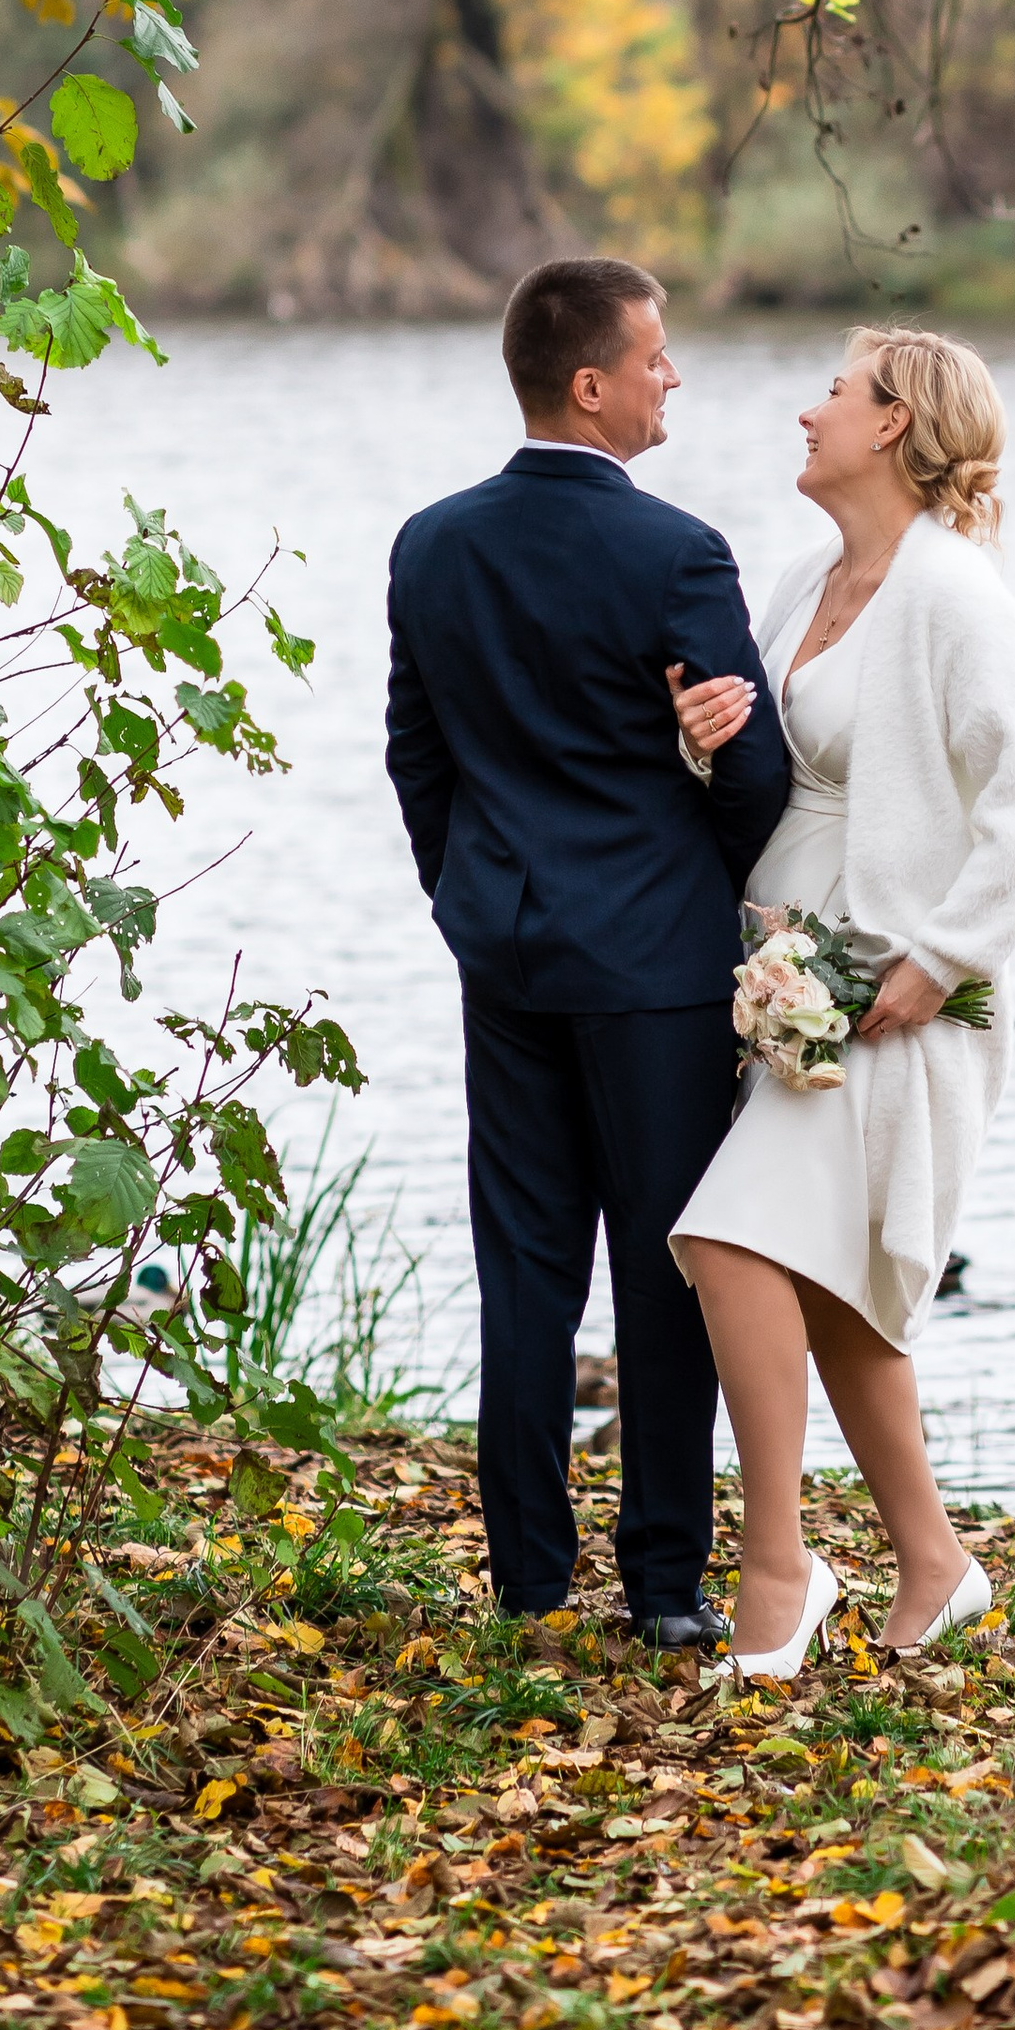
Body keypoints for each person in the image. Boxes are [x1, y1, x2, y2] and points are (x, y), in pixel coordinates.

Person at [386, 256, 791, 1647]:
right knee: (666, 1271)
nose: (674, 374)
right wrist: (713, 813)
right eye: (658, 353)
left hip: (505, 957)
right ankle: (665, 1586)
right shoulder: (677, 553)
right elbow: (757, 780)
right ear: (591, 383)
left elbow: (416, 758)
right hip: (656, 969)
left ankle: (529, 1582)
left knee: (526, 1268)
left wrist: (467, 899)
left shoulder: (430, 544)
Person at [669, 327, 1015, 1675]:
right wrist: (709, 736)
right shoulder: (805, 579)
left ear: (895, 423)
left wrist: (939, 956)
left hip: (891, 998)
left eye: (833, 394)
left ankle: (778, 1573)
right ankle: (937, 1564)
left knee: (730, 1245)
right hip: (782, 979)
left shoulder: (955, 594)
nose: (807, 411)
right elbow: (785, 769)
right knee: (836, 1295)